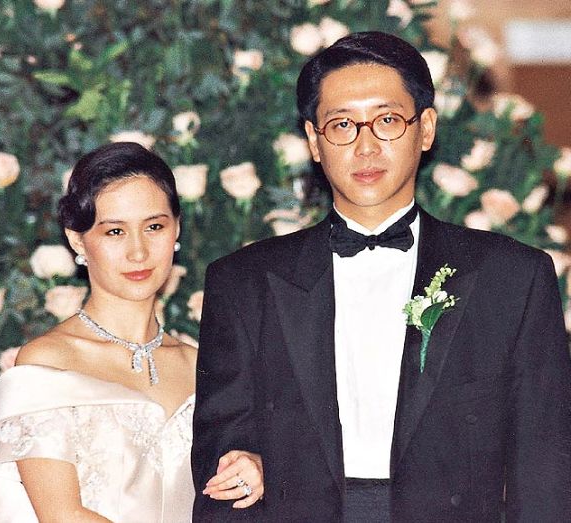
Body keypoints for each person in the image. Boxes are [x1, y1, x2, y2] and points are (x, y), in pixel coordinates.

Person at [192, 31, 571, 522]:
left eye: (387, 120)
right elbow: (221, 456)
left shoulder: (513, 279)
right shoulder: (244, 283)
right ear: (314, 141)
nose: (365, 147)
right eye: (342, 125)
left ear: (426, 129)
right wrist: (244, 464)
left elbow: (544, 469)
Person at [0, 142, 264, 523]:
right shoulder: (48, 362)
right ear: (77, 239)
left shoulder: (202, 366)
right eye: (115, 231)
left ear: (176, 229)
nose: (138, 252)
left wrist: (255, 469)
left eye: (154, 227)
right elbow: (61, 514)